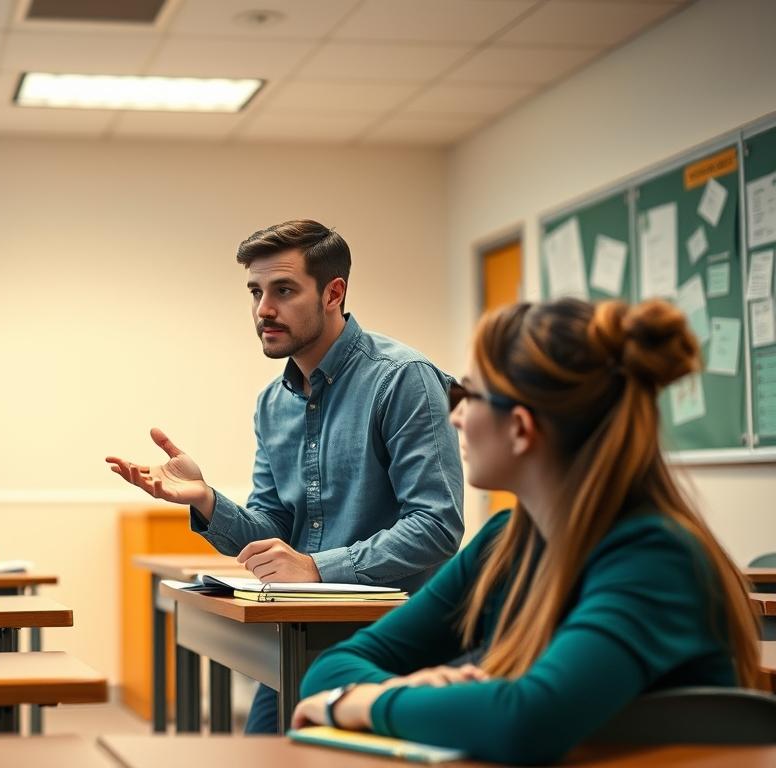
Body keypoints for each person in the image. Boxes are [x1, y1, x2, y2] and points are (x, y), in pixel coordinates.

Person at [292, 298, 762, 765]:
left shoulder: (656, 559)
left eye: (468, 396)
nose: (455, 416)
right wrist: (407, 690)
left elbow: (525, 721)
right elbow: (328, 669)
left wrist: (360, 703)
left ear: (519, 428)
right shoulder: (506, 542)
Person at [105, 219, 464, 733]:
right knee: (261, 749)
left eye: (283, 290)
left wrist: (316, 568)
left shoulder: (403, 380)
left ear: (332, 293)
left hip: (393, 640)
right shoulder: (273, 402)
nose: (263, 310)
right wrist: (206, 500)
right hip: (297, 633)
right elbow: (273, 531)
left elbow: (437, 526)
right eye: (255, 292)